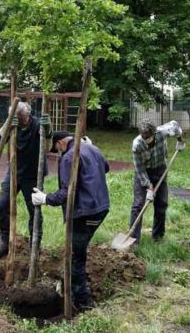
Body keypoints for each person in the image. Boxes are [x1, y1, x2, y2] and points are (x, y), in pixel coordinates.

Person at [30, 131, 110, 312]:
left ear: (60, 143)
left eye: (57, 149)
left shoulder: (68, 158)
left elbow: (68, 191)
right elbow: (105, 168)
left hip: (85, 212)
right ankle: (69, 287)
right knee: (76, 251)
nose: (58, 152)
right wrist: (92, 149)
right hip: (101, 207)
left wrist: (45, 198)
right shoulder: (91, 147)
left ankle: (81, 303)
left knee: (76, 257)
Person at [0, 101, 51, 258]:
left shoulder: (37, 125)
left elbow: (49, 140)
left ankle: (34, 246)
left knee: (34, 209)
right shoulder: (13, 126)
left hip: (33, 175)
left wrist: (49, 128)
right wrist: (8, 123)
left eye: (22, 116)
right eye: (17, 117)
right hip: (14, 172)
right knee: (2, 205)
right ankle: (5, 242)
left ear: (28, 114)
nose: (21, 119)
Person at [130, 119, 185, 243]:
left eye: (148, 137)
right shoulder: (137, 144)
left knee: (161, 204)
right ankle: (133, 239)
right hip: (144, 172)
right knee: (138, 205)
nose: (146, 139)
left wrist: (180, 141)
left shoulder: (162, 132)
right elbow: (139, 169)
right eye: (144, 137)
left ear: (154, 134)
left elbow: (176, 127)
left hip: (160, 169)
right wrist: (149, 187)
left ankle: (158, 236)